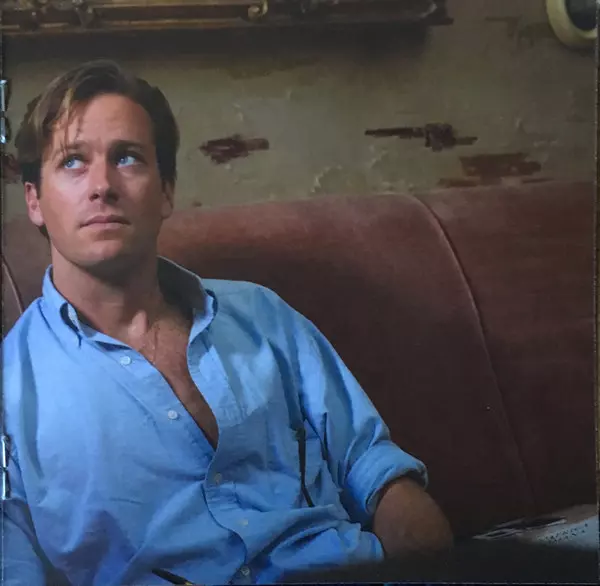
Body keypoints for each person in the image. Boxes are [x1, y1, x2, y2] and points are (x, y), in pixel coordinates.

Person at [2, 60, 453, 586]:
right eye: (73, 162)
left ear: (165, 191)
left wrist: (437, 569)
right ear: (34, 200)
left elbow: (375, 469)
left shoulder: (261, 315)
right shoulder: (10, 389)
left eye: (127, 157)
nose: (102, 185)